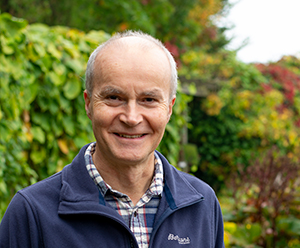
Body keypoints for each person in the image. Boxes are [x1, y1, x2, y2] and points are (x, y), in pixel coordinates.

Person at [0, 30, 225, 248]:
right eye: (114, 97)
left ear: (169, 108)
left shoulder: (202, 205)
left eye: (148, 99)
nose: (131, 118)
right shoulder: (32, 213)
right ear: (88, 103)